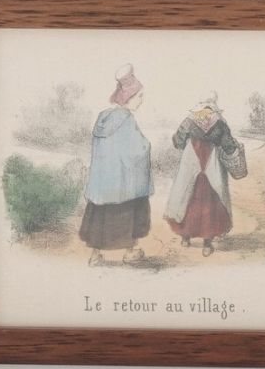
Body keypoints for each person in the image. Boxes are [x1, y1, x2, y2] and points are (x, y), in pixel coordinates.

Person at [81, 67, 156, 264]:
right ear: (129, 98)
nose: (142, 100)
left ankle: (95, 255)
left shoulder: (103, 117)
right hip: (123, 186)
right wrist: (147, 146)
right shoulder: (126, 119)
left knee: (100, 217)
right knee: (130, 210)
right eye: (139, 96)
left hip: (103, 186)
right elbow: (137, 150)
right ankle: (130, 252)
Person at [164, 95, 246, 255]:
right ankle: (207, 244)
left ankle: (185, 238)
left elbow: (178, 142)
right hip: (211, 164)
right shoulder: (220, 122)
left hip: (191, 161)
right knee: (211, 200)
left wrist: (187, 141)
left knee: (187, 196)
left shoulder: (189, 120)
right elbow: (229, 146)